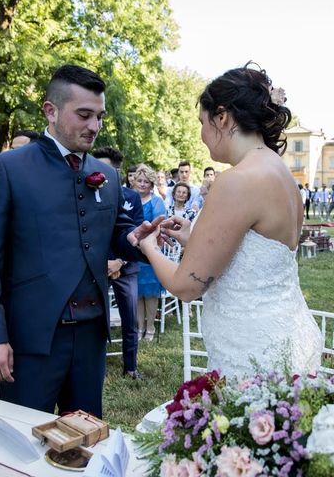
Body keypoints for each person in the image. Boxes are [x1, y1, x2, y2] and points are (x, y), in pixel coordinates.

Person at [0, 64, 157, 417]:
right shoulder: (8, 168)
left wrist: (135, 238)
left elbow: (116, 235)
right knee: (22, 444)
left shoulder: (108, 177)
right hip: (31, 337)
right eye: (84, 115)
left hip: (91, 335)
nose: (94, 126)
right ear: (50, 111)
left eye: (99, 116)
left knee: (84, 437)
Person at [138, 64, 322, 378]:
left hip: (252, 352)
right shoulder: (281, 174)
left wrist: (149, 247)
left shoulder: (237, 181)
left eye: (202, 122)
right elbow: (257, 253)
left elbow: (186, 287)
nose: (201, 134)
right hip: (288, 333)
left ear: (222, 117)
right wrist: (192, 237)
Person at [92, 146, 145, 379]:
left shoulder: (131, 197)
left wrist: (119, 262)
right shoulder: (85, 195)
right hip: (96, 267)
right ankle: (93, 367)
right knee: (93, 319)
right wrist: (104, 262)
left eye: (108, 168)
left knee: (130, 318)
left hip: (126, 266)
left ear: (117, 171)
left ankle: (130, 366)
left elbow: (135, 232)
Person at [133, 164, 166, 342]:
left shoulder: (156, 201)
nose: (143, 184)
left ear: (152, 184)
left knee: (151, 292)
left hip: (150, 250)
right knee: (137, 291)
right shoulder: (130, 198)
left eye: (146, 181)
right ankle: (139, 327)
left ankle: (151, 327)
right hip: (132, 248)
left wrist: (146, 243)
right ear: (135, 181)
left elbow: (158, 226)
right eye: (140, 180)